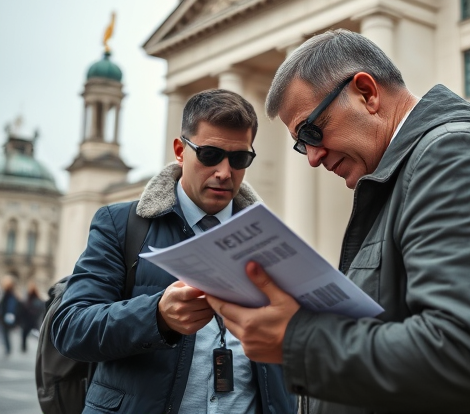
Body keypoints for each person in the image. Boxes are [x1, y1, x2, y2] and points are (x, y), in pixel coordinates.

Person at [207, 30, 470, 413]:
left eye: (311, 131)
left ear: (366, 93)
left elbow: (465, 355)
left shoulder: (453, 154)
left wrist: (296, 339)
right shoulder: (404, 176)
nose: (313, 158)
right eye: (301, 145)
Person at [51, 89, 296, 414]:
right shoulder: (121, 224)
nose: (224, 172)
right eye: (210, 154)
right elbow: (69, 327)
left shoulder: (270, 236)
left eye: (239, 159)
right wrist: (156, 316)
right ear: (180, 150)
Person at [20, 281, 45, 352]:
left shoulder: (29, 298)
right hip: (33, 320)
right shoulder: (34, 298)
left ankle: (24, 348)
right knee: (35, 334)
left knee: (25, 334)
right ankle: (39, 347)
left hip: (30, 320)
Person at [0, 274, 20, 356]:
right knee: (5, 333)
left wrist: (9, 315)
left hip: (5, 316)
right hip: (5, 316)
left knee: (5, 333)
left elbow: (10, 306)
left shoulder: (9, 294)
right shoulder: (8, 293)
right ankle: (7, 348)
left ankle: (8, 349)